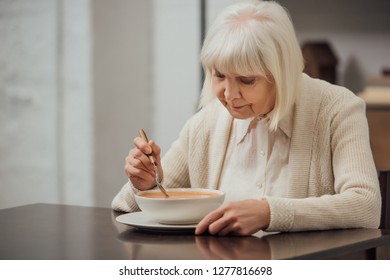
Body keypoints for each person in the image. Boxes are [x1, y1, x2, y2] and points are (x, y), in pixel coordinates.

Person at [112, 0, 381, 235]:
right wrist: (144, 186)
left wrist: (269, 213)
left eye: (246, 80)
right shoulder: (206, 123)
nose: (229, 95)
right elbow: (126, 209)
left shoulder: (338, 110)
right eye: (219, 75)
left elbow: (365, 207)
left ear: (281, 74)